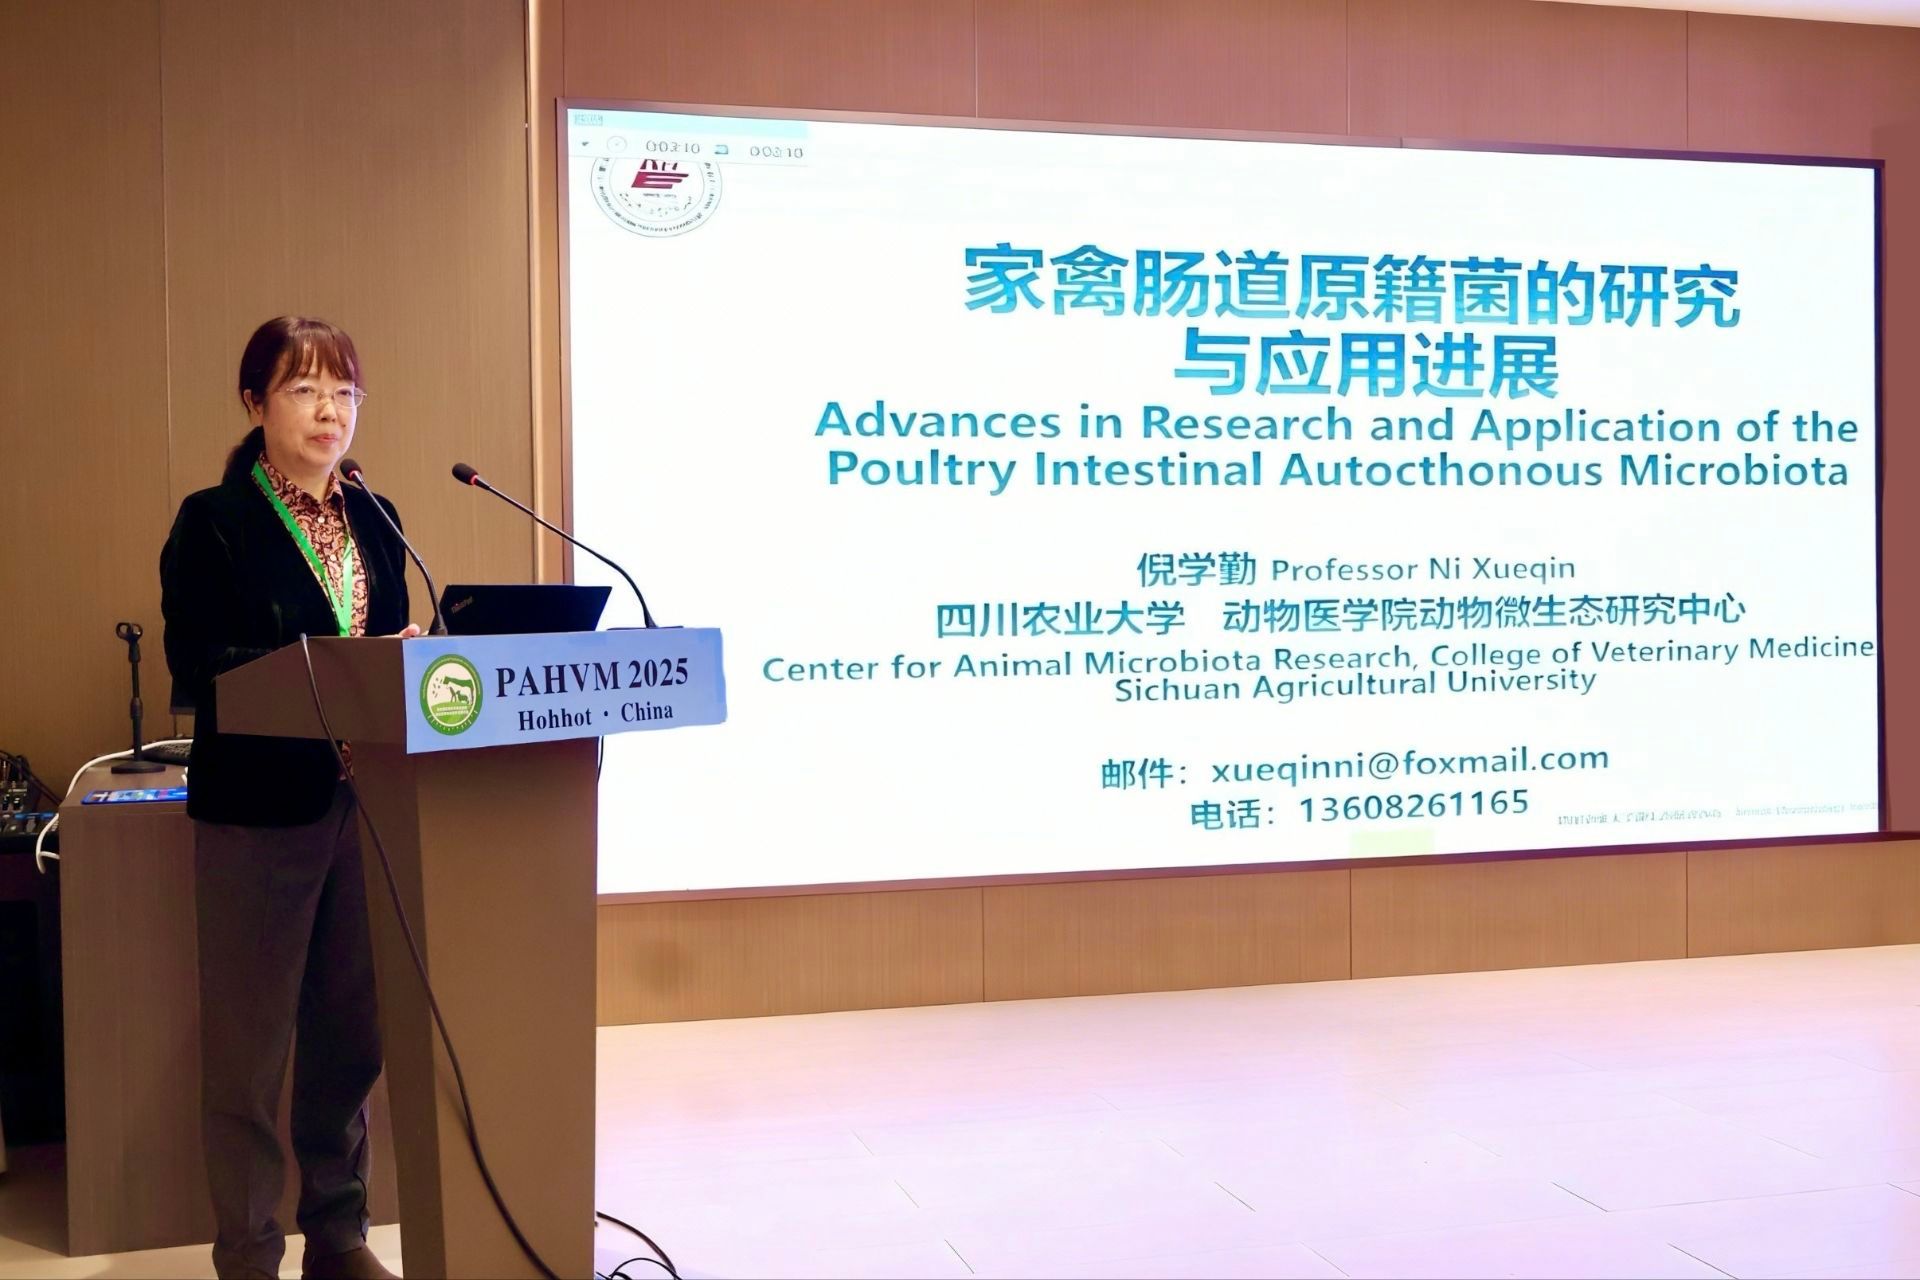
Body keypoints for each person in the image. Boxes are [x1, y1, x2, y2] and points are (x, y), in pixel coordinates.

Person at [161, 316, 418, 1280]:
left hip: (369, 807)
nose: (329, 411)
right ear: (254, 404)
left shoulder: (379, 516)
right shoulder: (214, 521)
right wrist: (338, 664)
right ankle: (248, 1253)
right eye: (304, 389)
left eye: (344, 392)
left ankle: (339, 1234)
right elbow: (202, 664)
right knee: (249, 1053)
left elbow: (395, 655)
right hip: (259, 813)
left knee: (352, 1037)